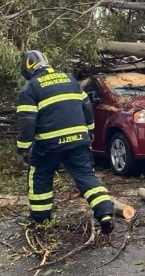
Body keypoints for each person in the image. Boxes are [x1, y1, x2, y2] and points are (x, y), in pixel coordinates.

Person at [16, 50, 114, 233]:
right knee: (86, 176)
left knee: (40, 176)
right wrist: (90, 131)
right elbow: (87, 107)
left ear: (27, 68)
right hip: (78, 141)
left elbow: (26, 121)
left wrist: (23, 149)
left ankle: (40, 218)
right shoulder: (70, 80)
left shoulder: (31, 88)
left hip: (48, 145)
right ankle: (105, 213)